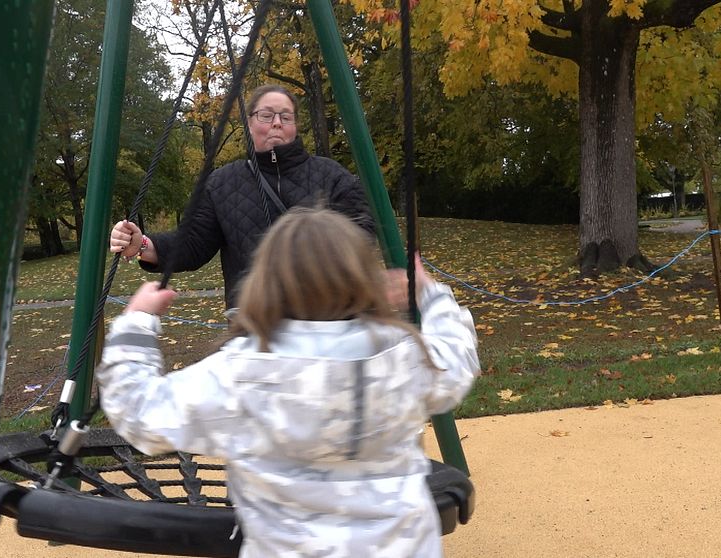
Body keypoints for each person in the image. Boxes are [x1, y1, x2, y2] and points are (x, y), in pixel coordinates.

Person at [96, 207, 480, 557]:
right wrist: (430, 293)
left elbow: (140, 413)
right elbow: (457, 357)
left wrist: (137, 322)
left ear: (265, 283)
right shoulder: (404, 357)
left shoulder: (239, 373)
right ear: (363, 280)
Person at [108, 84, 378, 309]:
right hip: (254, 326)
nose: (276, 123)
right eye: (266, 115)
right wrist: (142, 244)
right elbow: (191, 245)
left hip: (325, 319)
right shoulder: (223, 182)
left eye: (286, 116)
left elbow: (362, 234)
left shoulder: (331, 175)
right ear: (250, 123)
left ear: (295, 126)